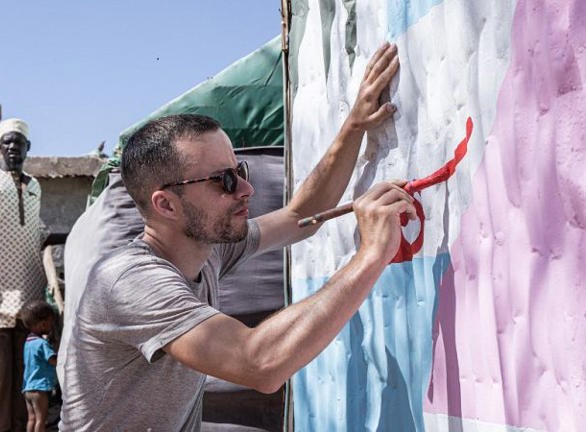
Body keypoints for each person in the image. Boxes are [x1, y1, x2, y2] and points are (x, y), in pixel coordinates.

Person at [59, 42, 415, 430]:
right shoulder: (131, 282)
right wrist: (371, 255)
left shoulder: (205, 249)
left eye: (240, 170)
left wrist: (355, 126)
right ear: (166, 205)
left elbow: (300, 215)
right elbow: (259, 363)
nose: (246, 190)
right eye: (224, 180)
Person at [0, 118, 47, 432]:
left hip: (31, 290)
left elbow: (36, 231)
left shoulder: (35, 186)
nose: (13, 148)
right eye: (7, 142)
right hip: (1, 292)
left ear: (28, 148)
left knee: (27, 369)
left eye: (19, 143)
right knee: (3, 373)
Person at [19, 301, 58, 432]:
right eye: (51, 322)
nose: (52, 326)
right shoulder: (42, 344)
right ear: (43, 324)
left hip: (28, 389)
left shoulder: (28, 342)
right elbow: (53, 361)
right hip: (39, 389)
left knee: (31, 419)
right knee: (41, 419)